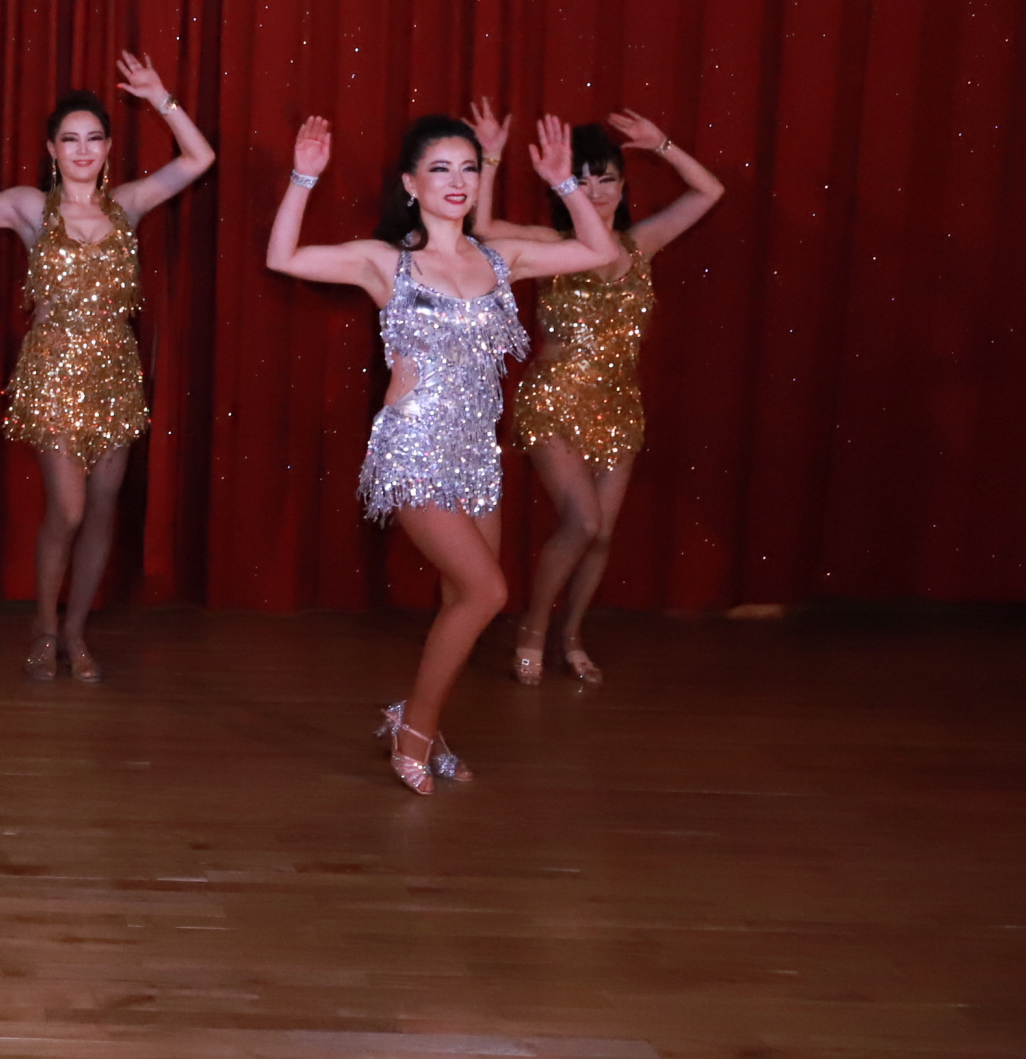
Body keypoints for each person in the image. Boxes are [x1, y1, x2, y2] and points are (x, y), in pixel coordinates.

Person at [264, 111, 618, 794]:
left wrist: (564, 183)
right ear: (411, 183)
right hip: (414, 449)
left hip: (476, 456)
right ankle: (416, 731)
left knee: (466, 600)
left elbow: (597, 249)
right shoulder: (387, 263)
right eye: (440, 168)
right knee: (488, 590)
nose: (457, 180)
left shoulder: (500, 257)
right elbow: (285, 256)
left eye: (468, 168)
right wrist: (303, 177)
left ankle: (421, 719)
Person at [0, 52, 212, 683]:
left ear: (108, 147)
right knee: (67, 507)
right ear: (52, 149)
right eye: (70, 139)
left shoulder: (128, 204)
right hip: (52, 370)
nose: (83, 149)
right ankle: (42, 626)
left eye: (94, 138)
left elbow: (199, 159)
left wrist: (160, 97)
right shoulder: (30, 206)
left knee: (102, 509)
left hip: (115, 373)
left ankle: (74, 633)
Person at [469, 100, 726, 685]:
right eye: (581, 180)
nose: (595, 190)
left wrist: (662, 144)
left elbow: (709, 191)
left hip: (618, 405)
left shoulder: (641, 244)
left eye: (605, 179)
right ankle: (533, 630)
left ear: (623, 185)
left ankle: (572, 636)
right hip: (553, 400)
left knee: (602, 535)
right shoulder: (552, 244)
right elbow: (482, 231)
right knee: (583, 521)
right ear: (563, 188)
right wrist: (490, 158)